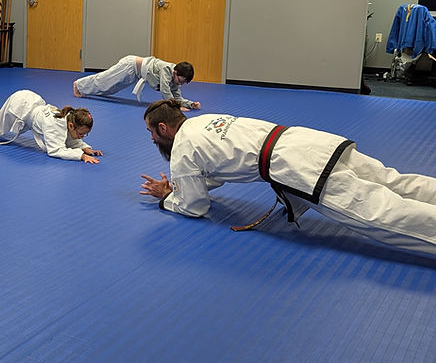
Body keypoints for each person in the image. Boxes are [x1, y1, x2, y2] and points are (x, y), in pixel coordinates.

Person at [138, 99, 436, 257]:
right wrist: (178, 187)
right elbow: (210, 173)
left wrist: (168, 199)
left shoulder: (182, 149)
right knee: (394, 181)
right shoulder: (203, 121)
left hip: (296, 165)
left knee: (379, 215)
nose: (152, 139)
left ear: (164, 128)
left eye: (152, 132)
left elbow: (195, 206)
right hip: (309, 140)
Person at [0, 89, 102, 163]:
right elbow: (55, 150)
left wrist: (85, 148)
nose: (81, 137)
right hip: (21, 107)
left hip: (29, 100)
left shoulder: (67, 117)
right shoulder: (55, 126)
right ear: (71, 126)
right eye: (81, 134)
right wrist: (81, 156)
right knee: (0, 127)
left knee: (5, 116)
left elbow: (70, 138)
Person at [74, 55, 200, 110]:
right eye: (180, 80)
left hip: (135, 74)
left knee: (110, 88)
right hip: (130, 66)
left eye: (183, 83)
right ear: (175, 72)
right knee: (104, 80)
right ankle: (79, 85)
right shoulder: (166, 70)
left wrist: (190, 104)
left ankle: (88, 90)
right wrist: (177, 107)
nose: (180, 84)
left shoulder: (176, 80)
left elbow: (177, 96)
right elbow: (165, 91)